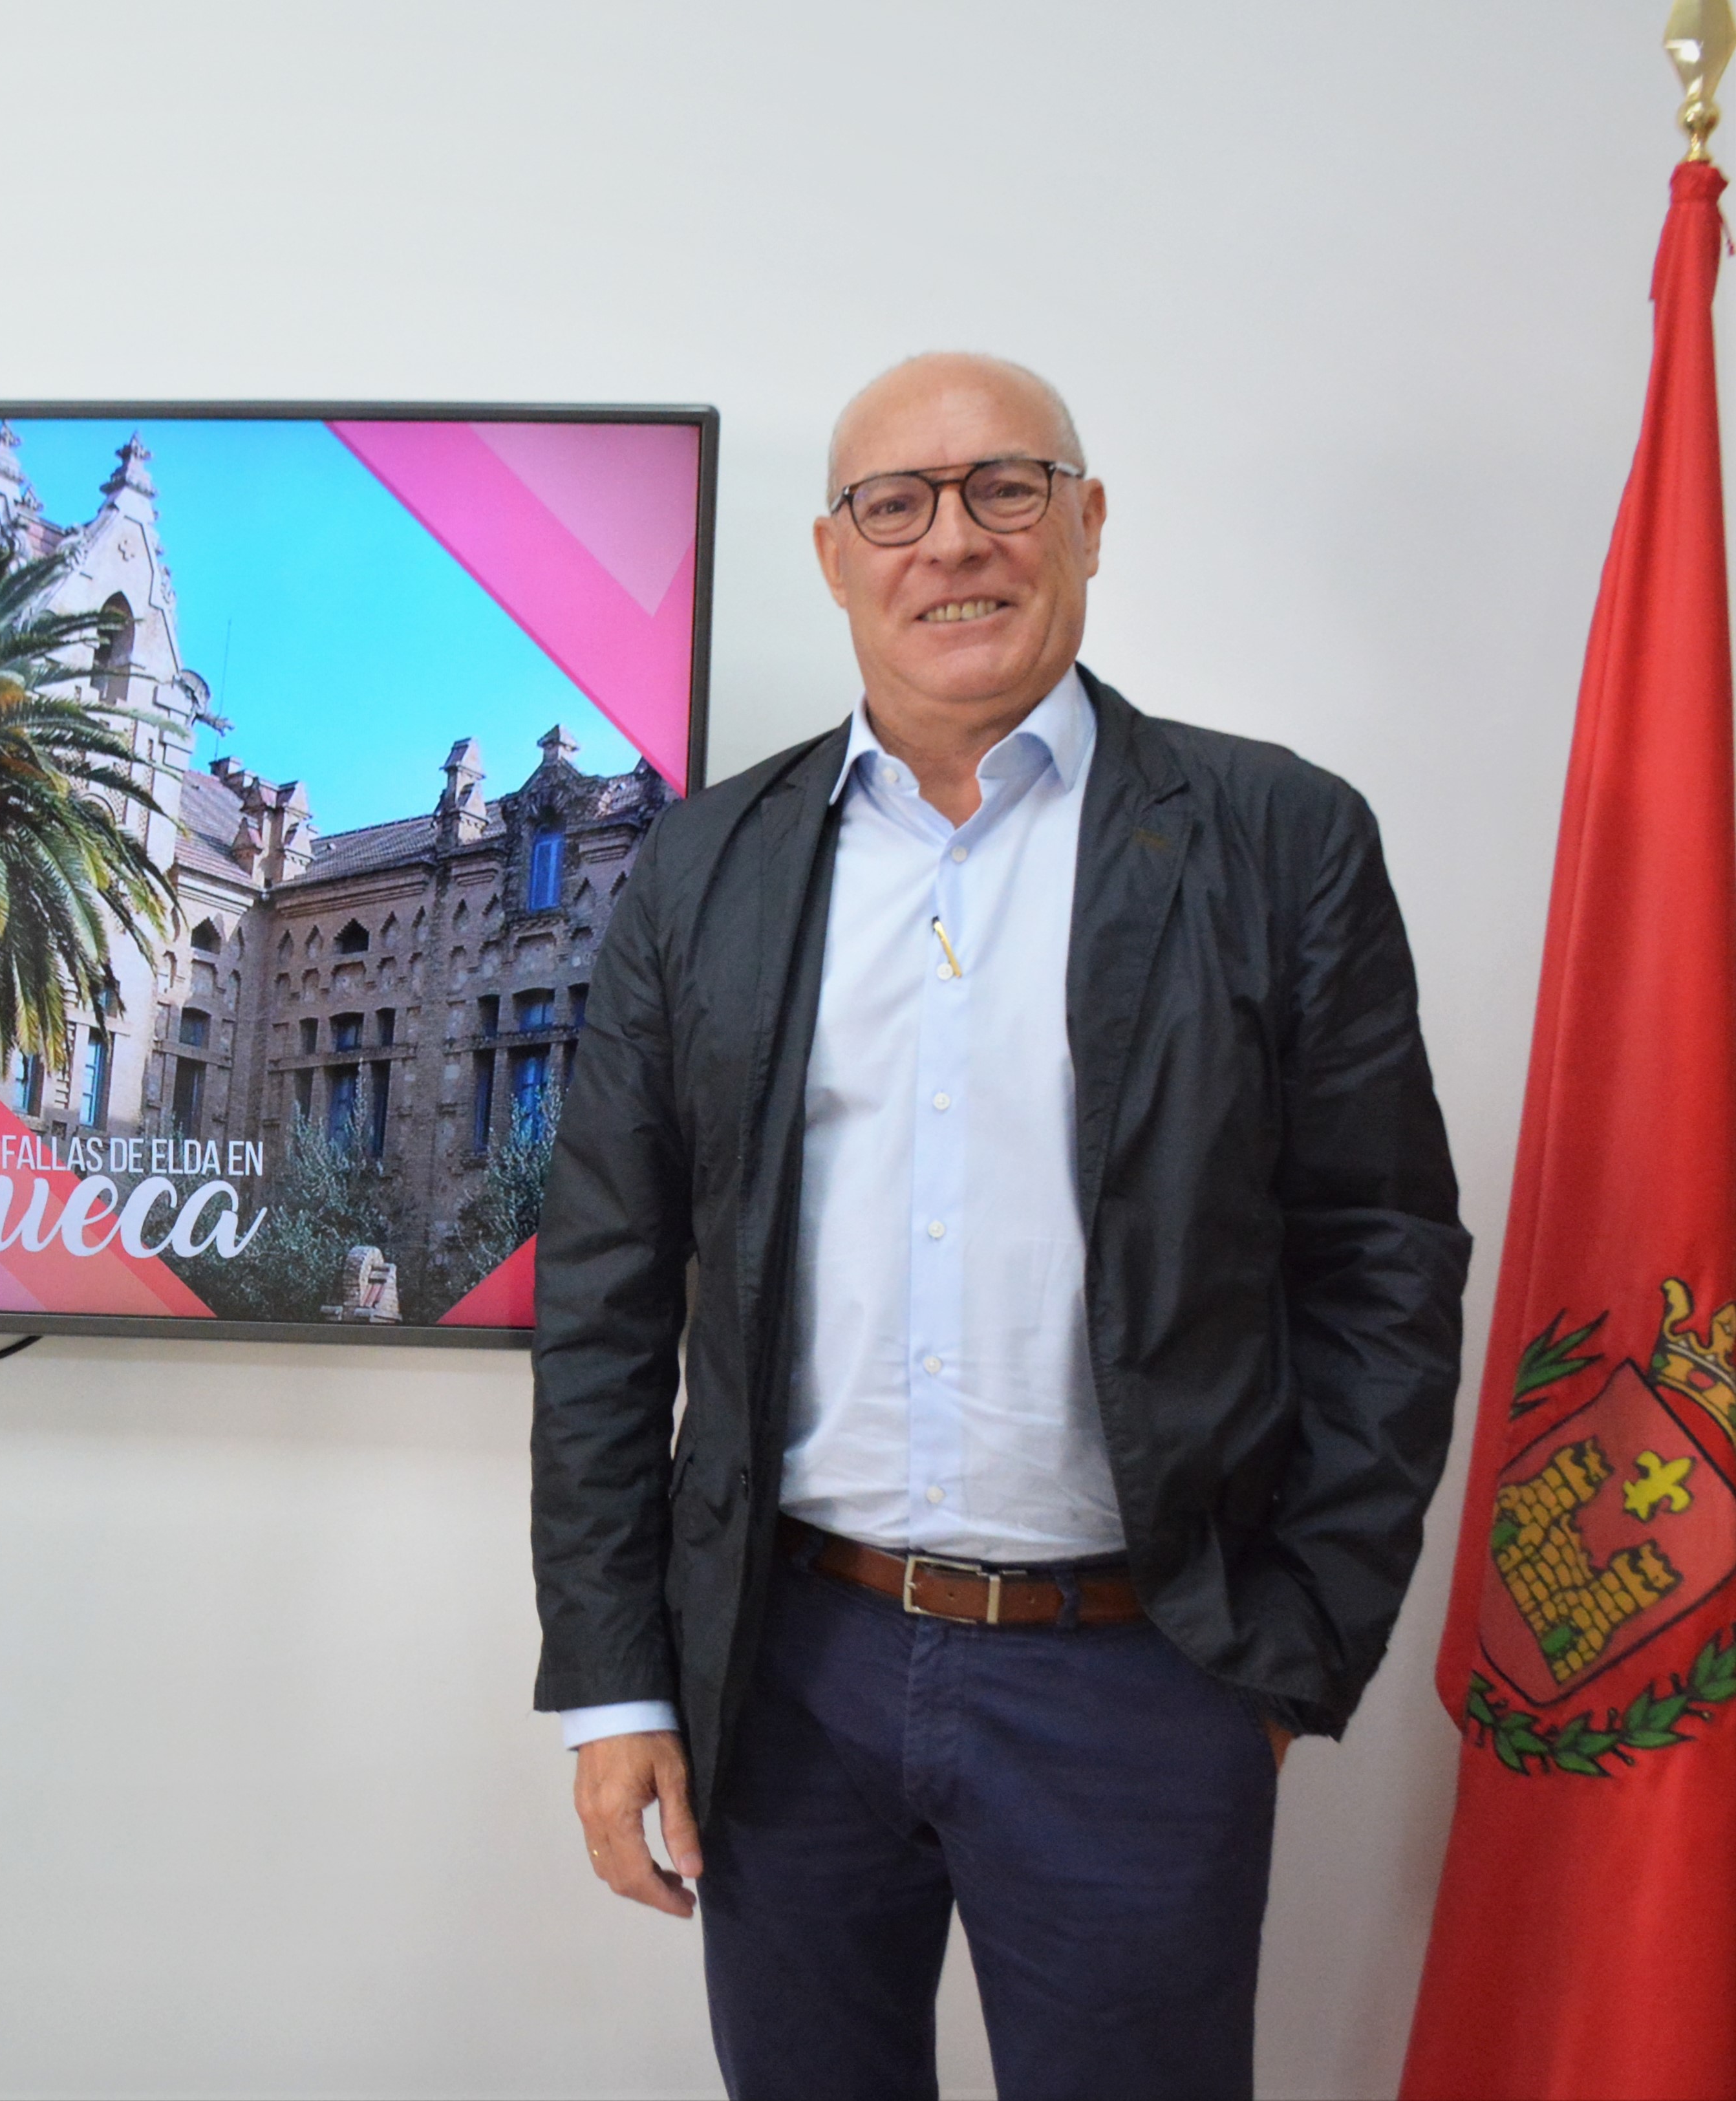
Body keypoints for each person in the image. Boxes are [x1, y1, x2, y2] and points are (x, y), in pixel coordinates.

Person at [529, 354, 1468, 2100]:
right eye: (897, 503)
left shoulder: (1276, 840)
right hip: (784, 1669)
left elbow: (1381, 1260)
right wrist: (614, 1685)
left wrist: (1286, 1652)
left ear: (1087, 522)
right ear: (834, 554)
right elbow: (603, 1292)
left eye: (1004, 488)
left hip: (1139, 1678)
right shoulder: (707, 867)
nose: (950, 543)